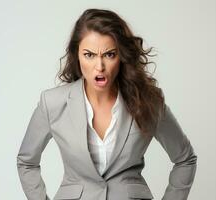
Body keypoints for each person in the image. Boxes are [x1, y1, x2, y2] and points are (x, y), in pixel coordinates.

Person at [16, 8, 197, 200]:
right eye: (89, 55)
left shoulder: (149, 101)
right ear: (76, 55)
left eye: (109, 54)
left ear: (122, 56)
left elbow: (185, 159)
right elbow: (26, 162)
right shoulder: (52, 103)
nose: (99, 66)